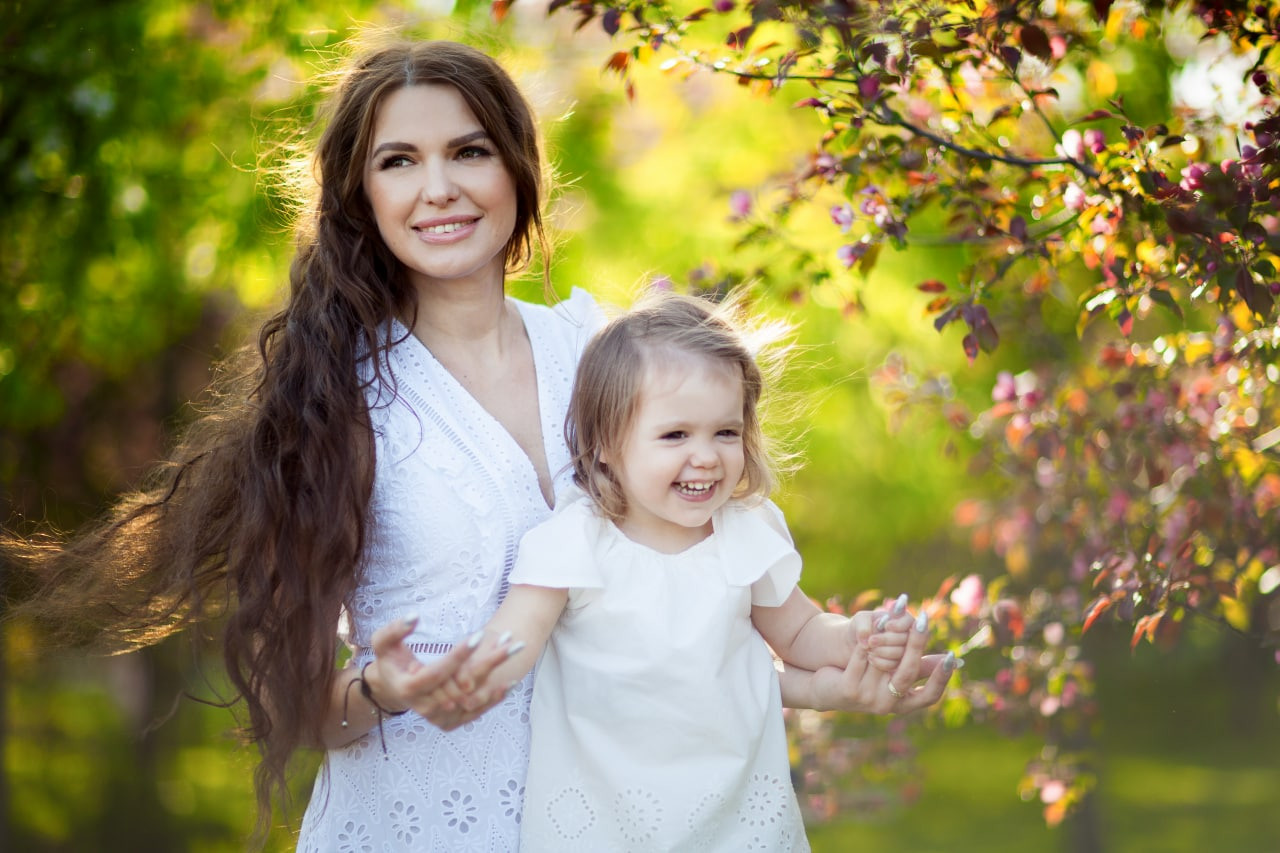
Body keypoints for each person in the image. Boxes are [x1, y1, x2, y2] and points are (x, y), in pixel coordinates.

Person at [4, 37, 955, 851]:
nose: (440, 187)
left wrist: (847, 680)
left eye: (468, 150)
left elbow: (685, 634)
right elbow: (298, 709)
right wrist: (384, 687)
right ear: (358, 194)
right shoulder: (330, 404)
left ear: (518, 169)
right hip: (413, 824)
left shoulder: (613, 357)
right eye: (398, 161)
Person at [458, 291, 960, 851]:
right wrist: (452, 673)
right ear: (604, 445)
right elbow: (511, 646)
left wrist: (859, 635)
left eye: (725, 432)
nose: (706, 456)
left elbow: (798, 634)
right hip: (602, 824)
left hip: (738, 820)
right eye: (675, 435)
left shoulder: (743, 532)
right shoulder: (575, 542)